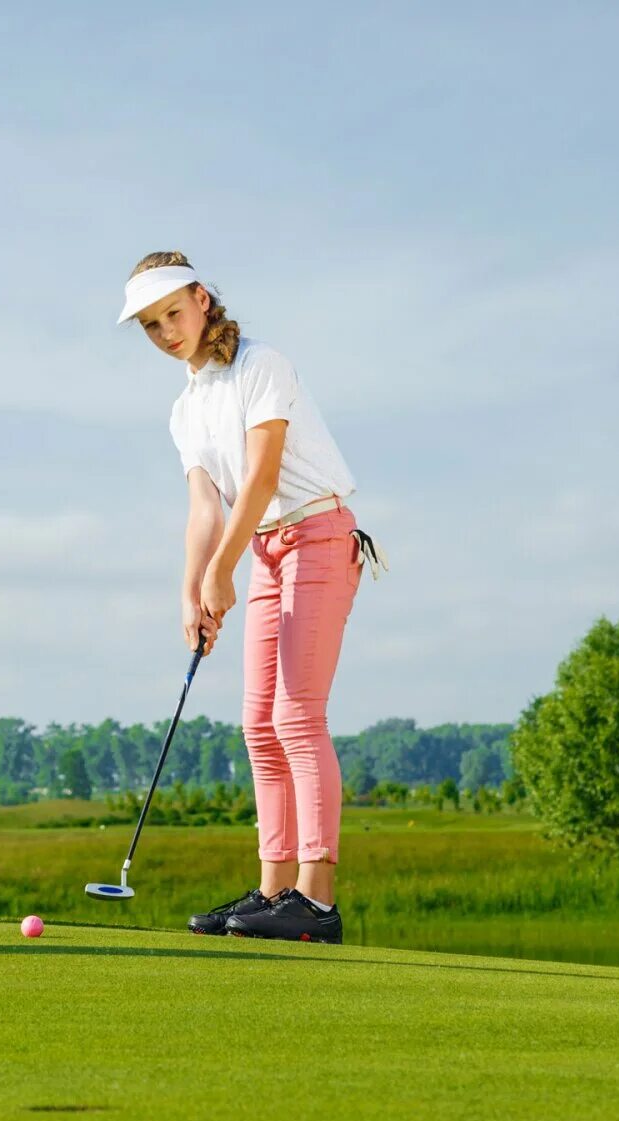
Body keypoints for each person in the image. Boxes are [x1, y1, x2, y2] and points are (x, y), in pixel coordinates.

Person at [117, 251, 384, 944]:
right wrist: (191, 588)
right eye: (150, 325)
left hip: (317, 534)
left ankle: (316, 900)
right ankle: (273, 892)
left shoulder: (261, 365)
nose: (165, 331)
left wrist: (221, 571)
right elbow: (205, 506)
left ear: (203, 299)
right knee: (258, 726)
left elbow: (263, 477)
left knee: (297, 716)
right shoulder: (185, 407)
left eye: (172, 313)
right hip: (264, 549)